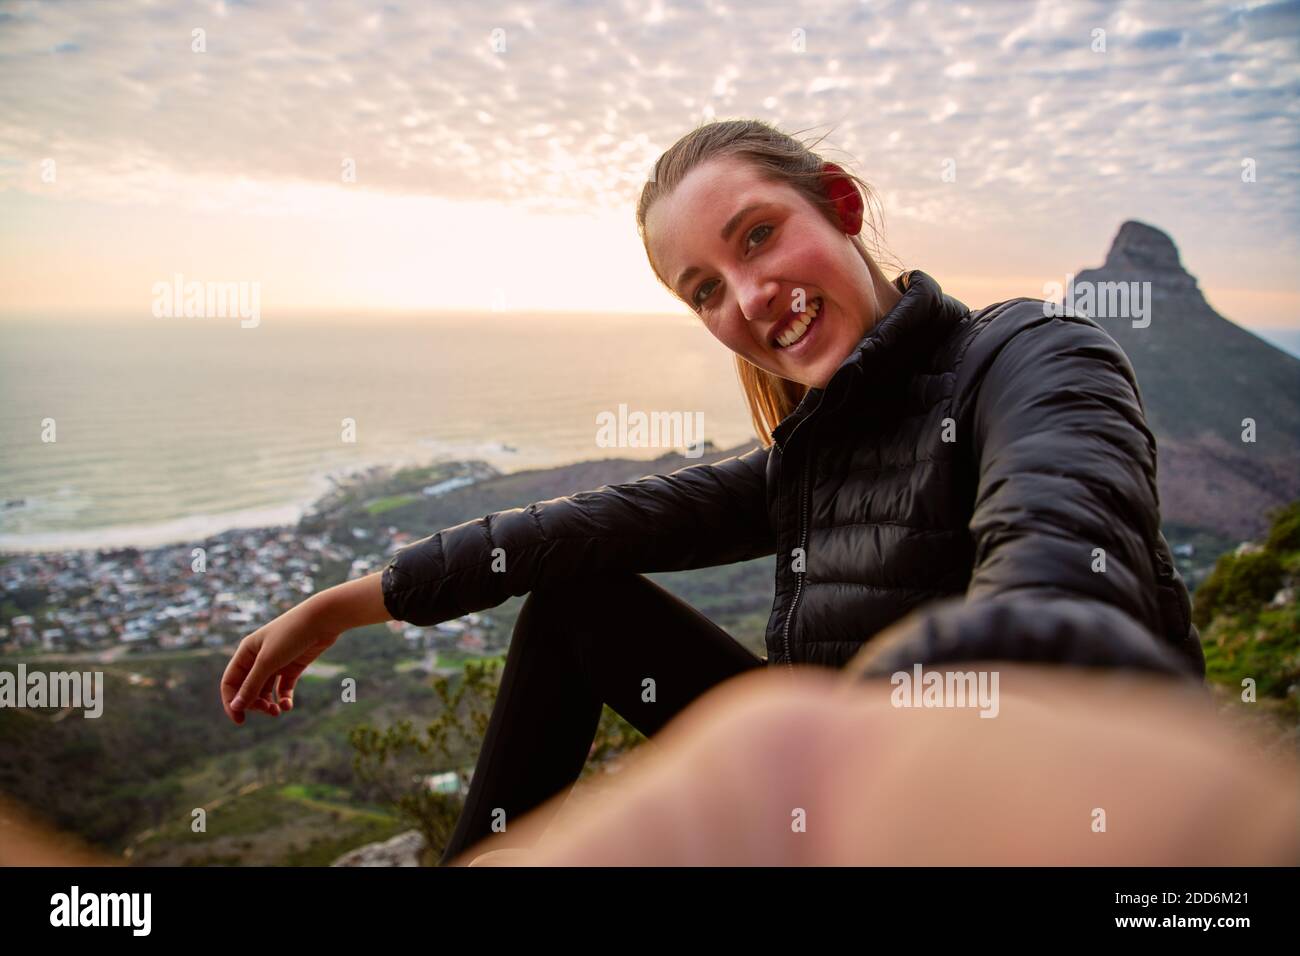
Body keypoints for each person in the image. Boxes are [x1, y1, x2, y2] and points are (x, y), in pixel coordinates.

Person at [220, 119, 1205, 866]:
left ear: (843, 206)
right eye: (703, 288)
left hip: (1010, 815)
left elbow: (1062, 555)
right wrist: (358, 600)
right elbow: (592, 525)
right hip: (833, 803)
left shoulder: (1028, 354)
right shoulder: (812, 454)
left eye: (760, 235)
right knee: (578, 600)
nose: (748, 295)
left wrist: (842, 736)